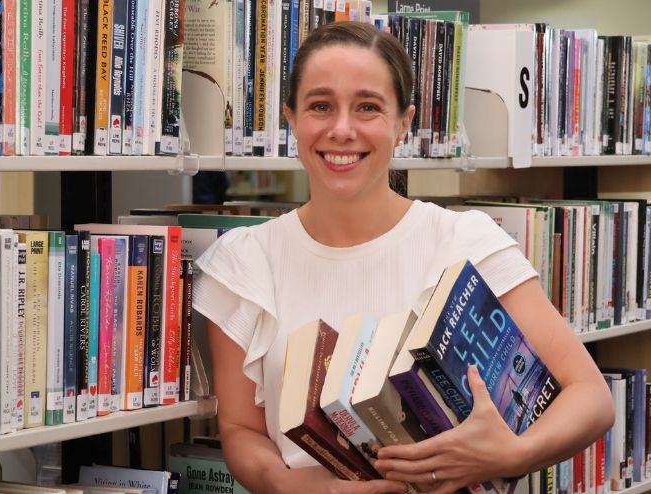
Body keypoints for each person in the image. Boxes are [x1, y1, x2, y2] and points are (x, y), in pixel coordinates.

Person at [193, 22, 614, 494]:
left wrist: (509, 454)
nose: (342, 129)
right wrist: (309, 489)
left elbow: (592, 398)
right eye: (320, 106)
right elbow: (241, 431)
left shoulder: (464, 240)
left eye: (368, 107)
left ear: (403, 122)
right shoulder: (243, 263)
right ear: (291, 118)